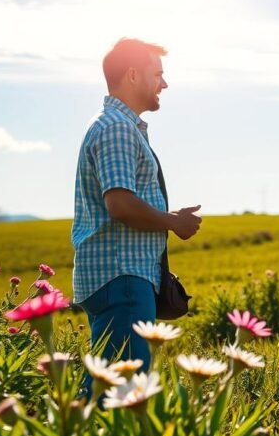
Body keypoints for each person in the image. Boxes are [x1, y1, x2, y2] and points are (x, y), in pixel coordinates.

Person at [72, 38, 202, 395]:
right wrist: (173, 222)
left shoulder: (116, 125)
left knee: (104, 389)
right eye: (157, 74)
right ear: (132, 75)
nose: (164, 83)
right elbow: (121, 203)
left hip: (118, 277)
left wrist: (170, 216)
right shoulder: (117, 127)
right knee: (123, 396)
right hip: (123, 276)